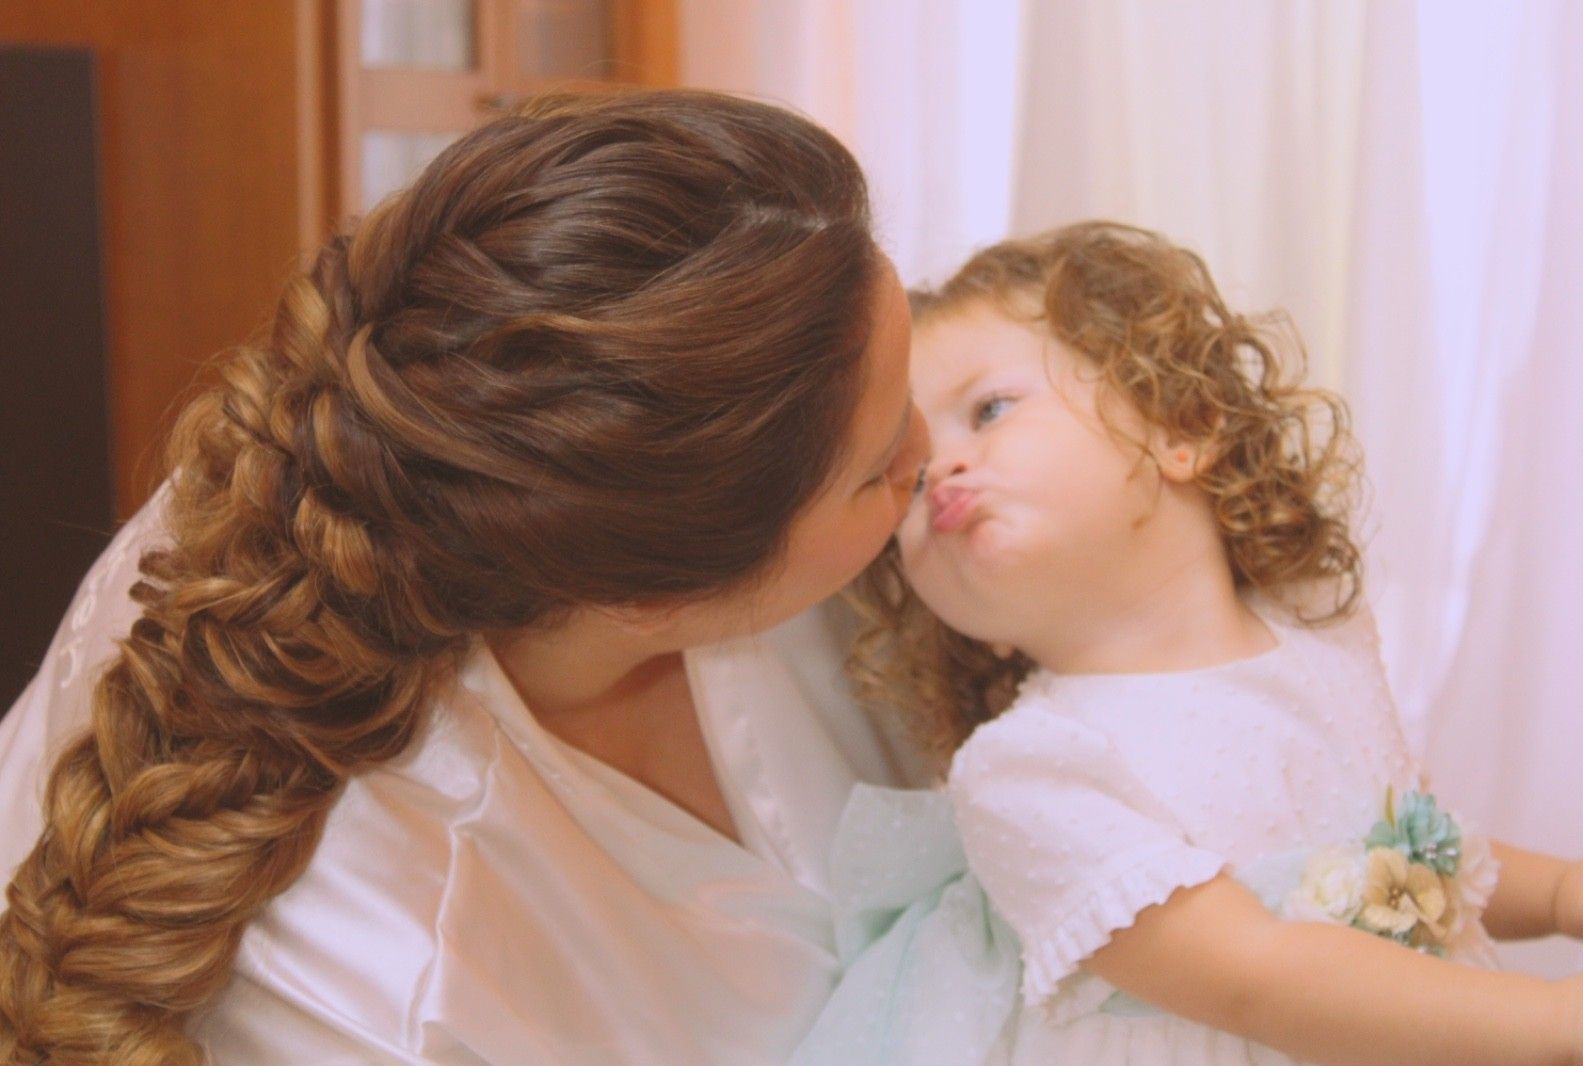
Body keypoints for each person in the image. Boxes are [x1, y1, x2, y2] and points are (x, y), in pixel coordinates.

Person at [0, 89, 934, 1064]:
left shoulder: (436, 458)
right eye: (877, 469)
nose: (931, 447)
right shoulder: (414, 987)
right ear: (650, 594)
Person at [794, 221, 1583, 1064]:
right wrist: (1552, 1025)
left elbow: (1408, 849)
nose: (943, 472)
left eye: (989, 409)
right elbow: (1257, 978)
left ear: (1182, 426)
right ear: (969, 633)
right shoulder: (1027, 771)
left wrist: (1561, 894)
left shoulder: (1315, 631)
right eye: (910, 474)